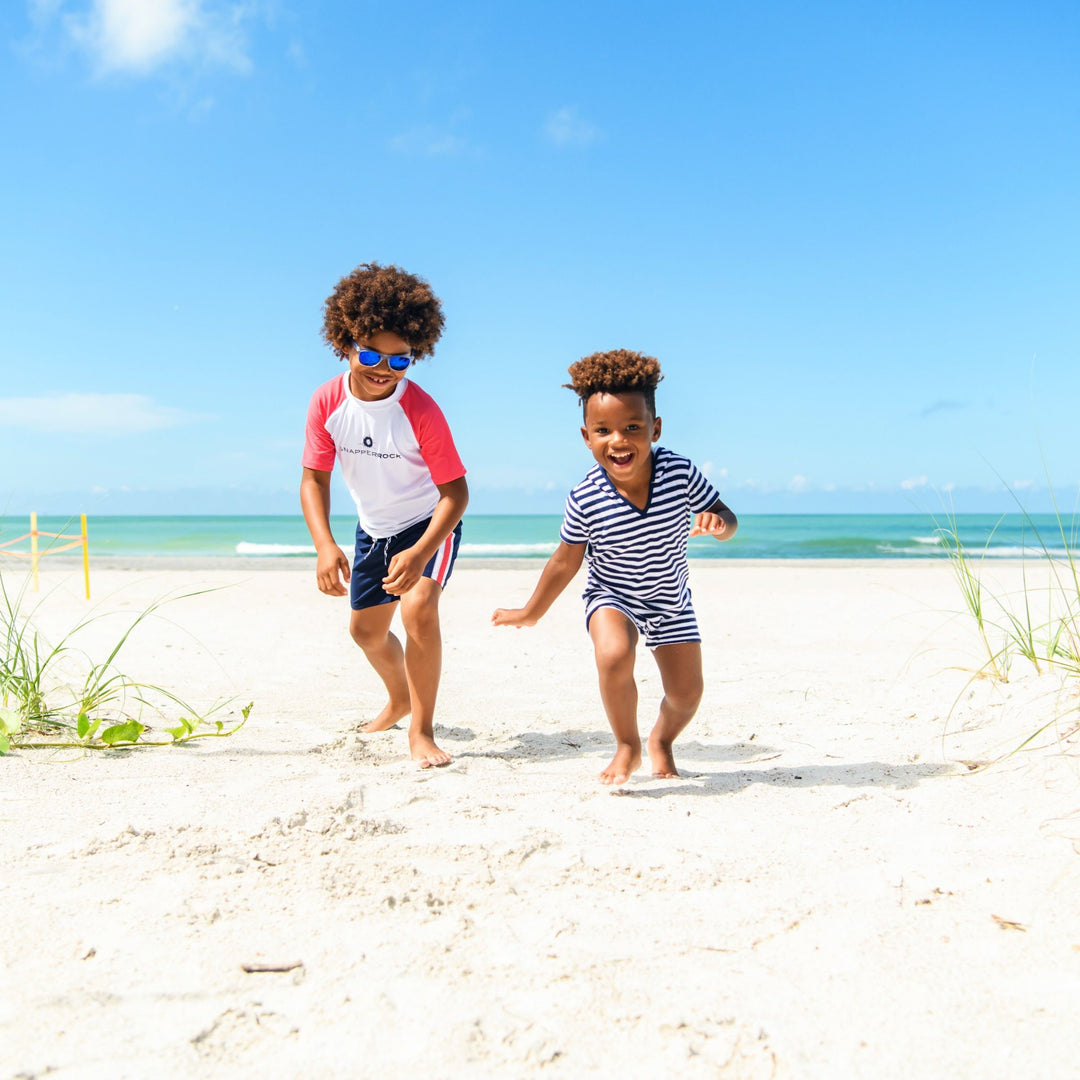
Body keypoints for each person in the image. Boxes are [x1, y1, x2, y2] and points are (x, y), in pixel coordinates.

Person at [492, 349, 737, 785]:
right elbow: (566, 561)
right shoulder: (585, 496)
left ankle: (661, 740)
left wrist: (718, 525)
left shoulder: (679, 472)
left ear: (655, 429)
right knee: (613, 655)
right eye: (603, 430)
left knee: (686, 694)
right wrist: (531, 612)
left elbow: (727, 518)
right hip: (612, 595)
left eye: (632, 428)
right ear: (586, 436)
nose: (618, 441)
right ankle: (628, 744)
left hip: (669, 599)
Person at [301, 263, 468, 768]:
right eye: (372, 354)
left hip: (427, 524)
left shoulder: (420, 410)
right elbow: (314, 479)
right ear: (345, 343)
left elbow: (456, 494)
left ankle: (421, 728)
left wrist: (420, 553)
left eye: (401, 360)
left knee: (418, 610)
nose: (384, 369)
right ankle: (398, 698)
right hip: (374, 529)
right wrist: (325, 545)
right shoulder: (327, 401)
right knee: (366, 633)